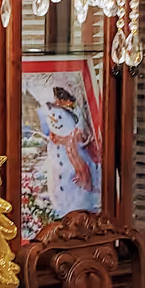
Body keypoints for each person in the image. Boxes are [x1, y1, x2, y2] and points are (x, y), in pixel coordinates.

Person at [37, 85, 102, 216]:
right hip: (58, 201)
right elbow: (51, 161)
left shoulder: (79, 143)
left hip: (79, 200)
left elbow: (93, 165)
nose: (55, 121)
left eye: (60, 117)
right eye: (52, 116)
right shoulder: (54, 141)